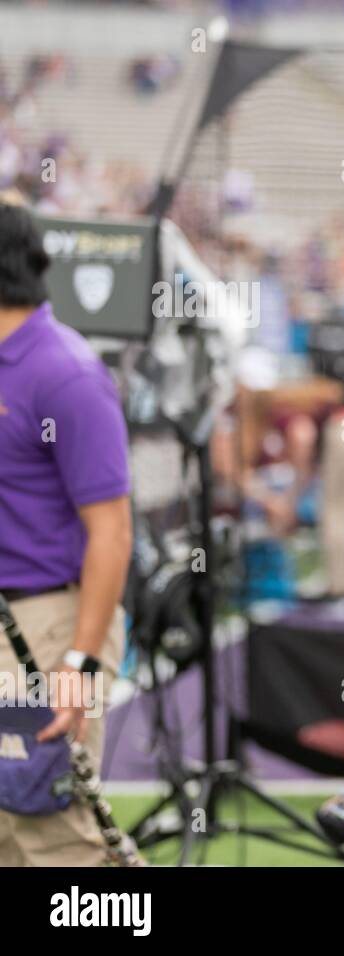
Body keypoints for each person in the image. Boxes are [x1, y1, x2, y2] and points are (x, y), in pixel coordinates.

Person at [0, 196, 132, 866]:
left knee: (55, 833)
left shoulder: (66, 372)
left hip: (50, 622)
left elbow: (111, 530)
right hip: (15, 621)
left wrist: (78, 665)